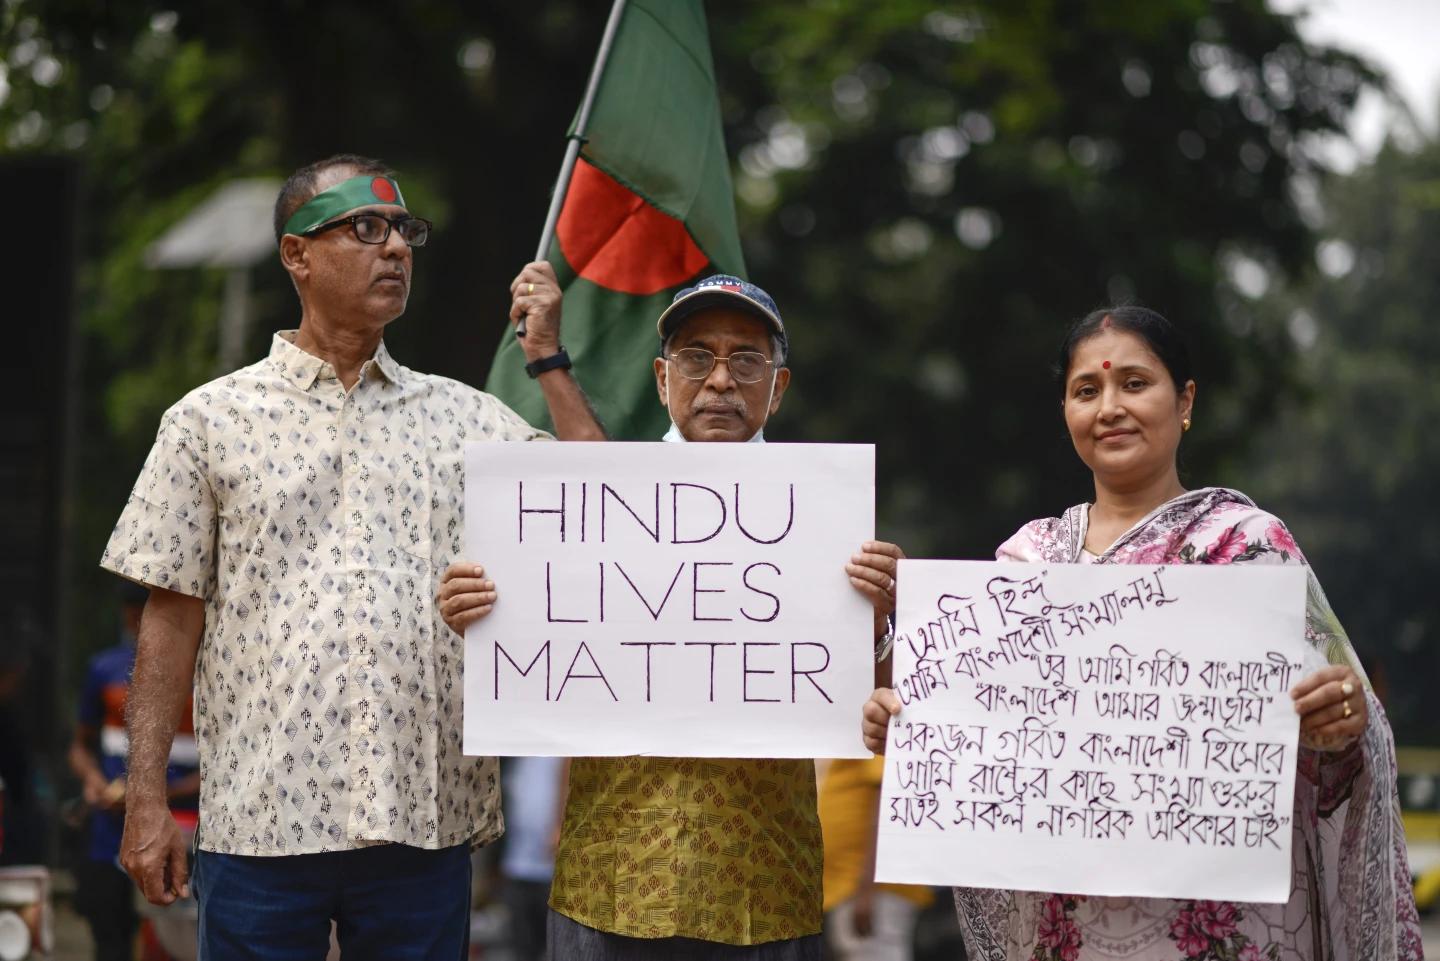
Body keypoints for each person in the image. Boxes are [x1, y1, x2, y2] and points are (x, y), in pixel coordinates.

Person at [100, 153, 604, 961]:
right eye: (365, 228)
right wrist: (146, 801)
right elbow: (170, 618)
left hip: (423, 820)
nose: (396, 247)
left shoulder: (466, 418)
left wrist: (544, 355)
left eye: (405, 230)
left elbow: (609, 506)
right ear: (297, 254)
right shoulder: (208, 421)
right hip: (261, 821)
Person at [861, 306, 1424, 961]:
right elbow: (965, 744)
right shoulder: (1026, 563)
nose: (1109, 407)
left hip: (1222, 929)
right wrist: (900, 723)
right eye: (1086, 390)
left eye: (1135, 383)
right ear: (1065, 410)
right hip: (1063, 932)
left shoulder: (1246, 549)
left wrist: (1342, 725)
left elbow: (1340, 745)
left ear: (1184, 400)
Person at [439, 274, 902, 959]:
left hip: (762, 880)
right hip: (610, 878)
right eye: (695, 356)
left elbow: (881, 712)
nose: (719, 379)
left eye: (746, 359)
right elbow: (535, 636)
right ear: (662, 379)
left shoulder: (826, 520)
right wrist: (476, 614)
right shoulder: (581, 511)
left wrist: (878, 628)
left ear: (778, 388)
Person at [68, 580, 200, 961]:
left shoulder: (200, 671)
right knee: (109, 938)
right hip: (110, 829)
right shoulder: (104, 669)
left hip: (183, 827)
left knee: (177, 941)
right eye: (132, 610)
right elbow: (79, 745)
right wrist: (94, 782)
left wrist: (154, 795)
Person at [817, 756, 932, 961]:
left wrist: (867, 889)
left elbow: (888, 797)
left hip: (870, 887)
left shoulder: (879, 733)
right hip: (857, 886)